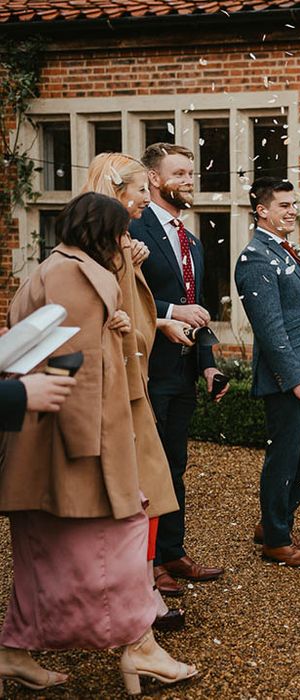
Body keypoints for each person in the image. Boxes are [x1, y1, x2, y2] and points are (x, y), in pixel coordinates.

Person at [0, 193, 196, 696]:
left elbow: (62, 346)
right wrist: (92, 453)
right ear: (102, 232)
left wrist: (122, 329)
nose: (129, 241)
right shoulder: (79, 275)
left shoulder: (62, 266)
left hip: (46, 435)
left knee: (46, 549)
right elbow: (74, 369)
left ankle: (15, 651)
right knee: (121, 539)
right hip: (75, 438)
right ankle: (140, 648)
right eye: (123, 231)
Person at [83, 152, 189, 632]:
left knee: (147, 492)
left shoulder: (123, 244)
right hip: (117, 391)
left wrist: (161, 320)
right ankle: (129, 596)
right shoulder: (98, 252)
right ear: (118, 190)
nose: (150, 198)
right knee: (133, 494)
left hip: (135, 382)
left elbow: (134, 314)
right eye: (143, 190)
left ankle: (142, 590)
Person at [129, 143, 228, 597]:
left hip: (184, 370)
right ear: (153, 179)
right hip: (146, 367)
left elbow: (200, 309)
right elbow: (128, 291)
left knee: (175, 466)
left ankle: (173, 551)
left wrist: (207, 364)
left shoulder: (191, 240)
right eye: (181, 173)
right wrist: (172, 310)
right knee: (146, 470)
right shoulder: (133, 228)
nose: (190, 180)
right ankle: (144, 564)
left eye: (191, 173)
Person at [235, 177, 300, 567]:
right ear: (262, 210)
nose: (292, 210)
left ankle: (274, 521)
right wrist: (295, 379)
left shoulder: (285, 251)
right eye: (283, 205)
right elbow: (270, 328)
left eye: (293, 204)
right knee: (285, 456)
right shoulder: (255, 258)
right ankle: (277, 540)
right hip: (289, 378)